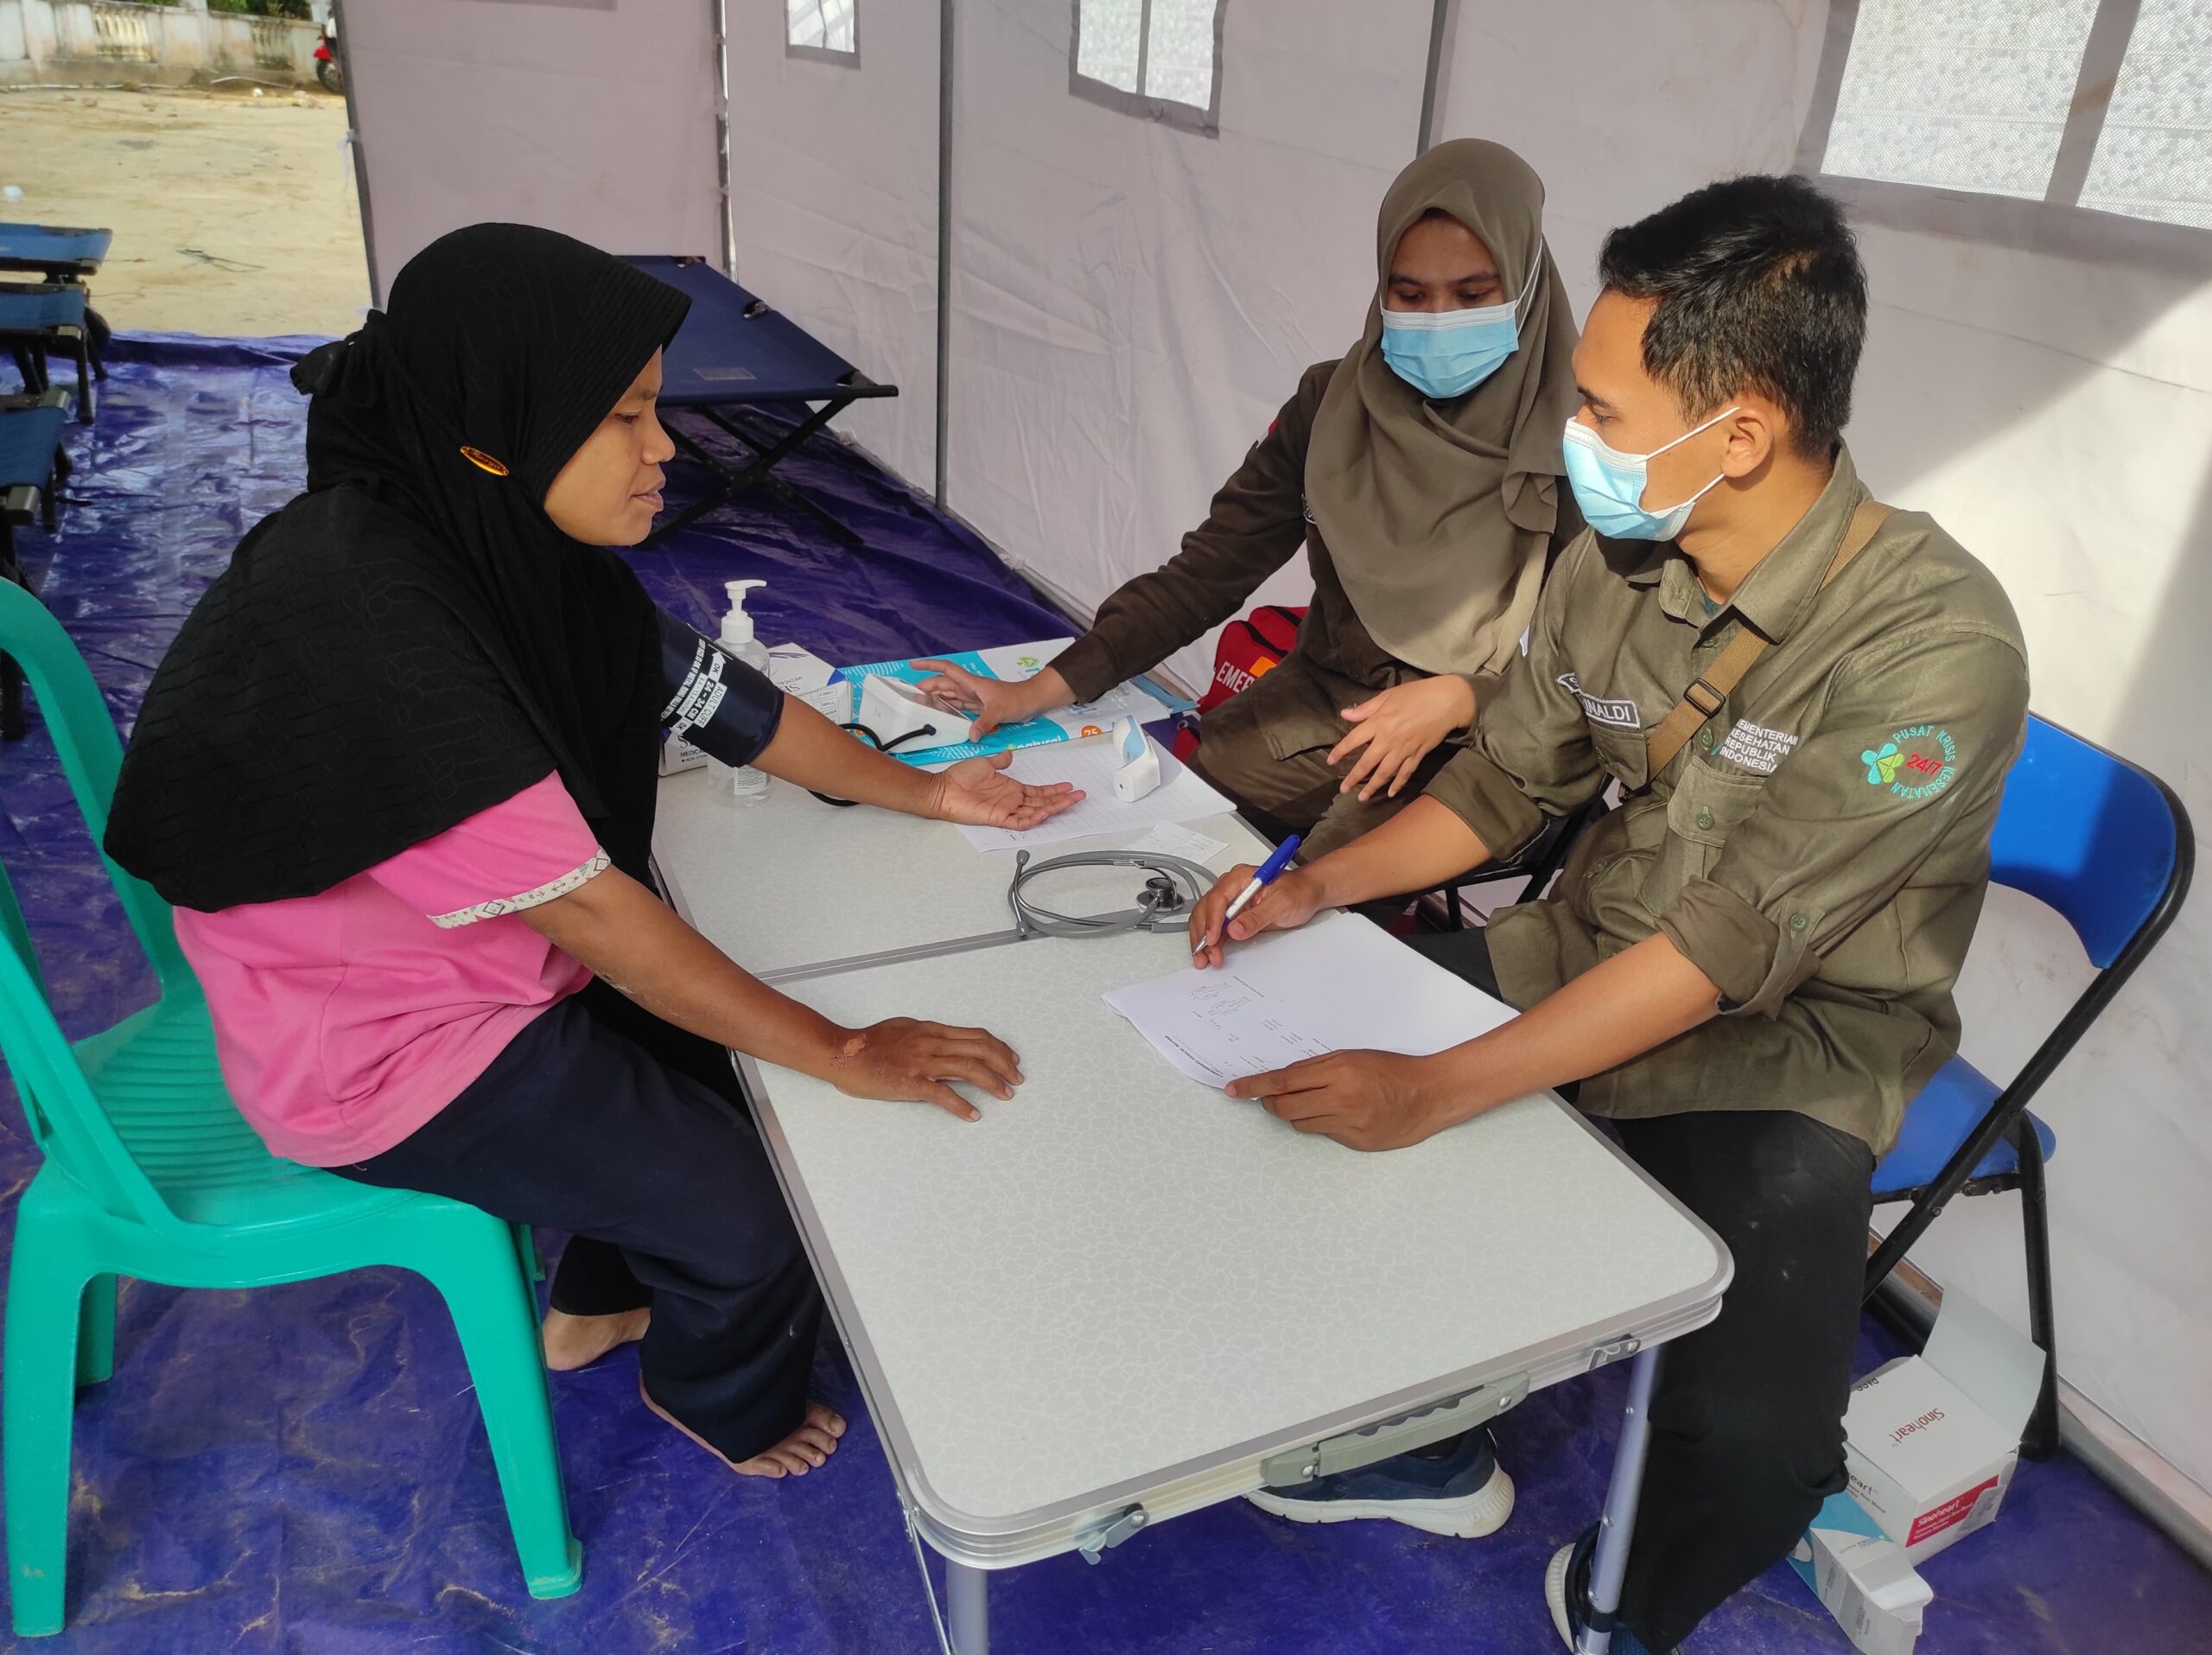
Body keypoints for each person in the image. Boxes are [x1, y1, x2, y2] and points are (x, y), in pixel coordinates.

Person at [1185, 176, 2029, 1653]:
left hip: (1786, 1055)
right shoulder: (1620, 563)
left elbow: (1718, 955)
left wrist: (1439, 1087)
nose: (1575, 442)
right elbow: (1508, 784)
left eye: (1604, 413)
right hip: (1573, 957)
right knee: (1247, 1092)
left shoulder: (1934, 648)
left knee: (1760, 1457)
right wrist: (1320, 882)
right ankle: (1419, 1438)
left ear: (1744, 434)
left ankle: (1621, 1604)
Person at [103, 226, 1081, 1482]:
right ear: (503, 417)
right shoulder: (373, 620)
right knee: (758, 1199)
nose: (664, 448)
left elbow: (723, 699)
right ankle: (710, 1392)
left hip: (482, 971)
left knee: (741, 1078)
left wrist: (929, 794)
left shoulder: (496, 539)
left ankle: (597, 1300)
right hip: (378, 1049)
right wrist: (846, 1048)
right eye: (626, 416)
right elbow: (607, 922)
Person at [914, 138, 1583, 860]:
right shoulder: (1332, 406)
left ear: (1525, 284)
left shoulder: (1584, 445)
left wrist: (1464, 696)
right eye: (1410, 295)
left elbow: (1598, 671)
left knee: (1322, 881)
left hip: (1495, 735)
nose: (1439, 320)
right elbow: (1209, 570)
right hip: (1332, 701)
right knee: (1178, 813)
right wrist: (1038, 690)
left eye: (1474, 295)